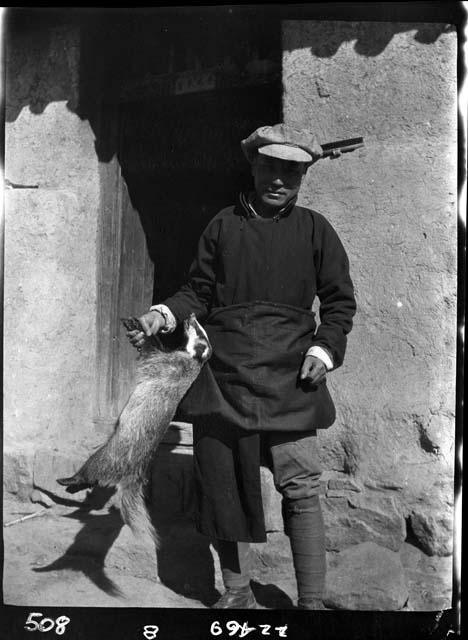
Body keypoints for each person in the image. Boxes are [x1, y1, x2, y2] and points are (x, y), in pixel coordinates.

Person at [127, 123, 357, 609]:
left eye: (291, 172)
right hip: (225, 376)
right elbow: (199, 292)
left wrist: (323, 351)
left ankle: (312, 603)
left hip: (290, 376)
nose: (279, 180)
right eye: (271, 167)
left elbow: (339, 304)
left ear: (302, 176)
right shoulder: (222, 226)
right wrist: (160, 314)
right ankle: (236, 594)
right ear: (254, 165)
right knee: (223, 486)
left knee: (300, 485)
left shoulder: (316, 230)